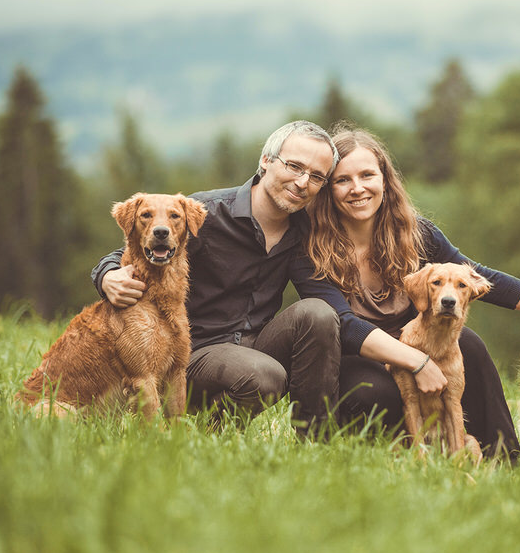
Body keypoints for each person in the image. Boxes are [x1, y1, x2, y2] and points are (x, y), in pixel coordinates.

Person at [302, 127, 520, 459]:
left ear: (385, 181)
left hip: (418, 340)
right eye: (342, 180)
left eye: (367, 175)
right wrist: (417, 362)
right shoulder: (310, 249)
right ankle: (399, 461)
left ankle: (502, 459)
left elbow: (477, 277)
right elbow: (344, 325)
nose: (357, 188)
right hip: (359, 357)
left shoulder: (417, 234)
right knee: (375, 391)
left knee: (470, 346)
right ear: (328, 191)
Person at [92, 120, 348, 435]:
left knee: (319, 314)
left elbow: (331, 303)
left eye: (317, 176)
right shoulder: (208, 213)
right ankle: (206, 434)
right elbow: (131, 251)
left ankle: (316, 440)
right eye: (294, 166)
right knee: (262, 375)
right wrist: (106, 276)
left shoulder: (304, 232)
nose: (302, 182)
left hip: (254, 346)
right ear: (266, 161)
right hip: (192, 357)